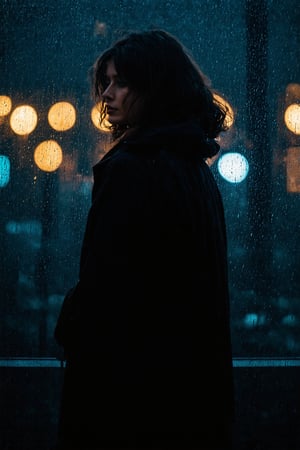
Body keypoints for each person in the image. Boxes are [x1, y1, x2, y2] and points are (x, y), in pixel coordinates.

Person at [54, 29, 235, 450]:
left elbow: (109, 285)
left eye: (122, 83)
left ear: (155, 88)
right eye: (107, 83)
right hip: (186, 395)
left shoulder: (132, 169)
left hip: (127, 397)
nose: (108, 95)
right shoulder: (193, 165)